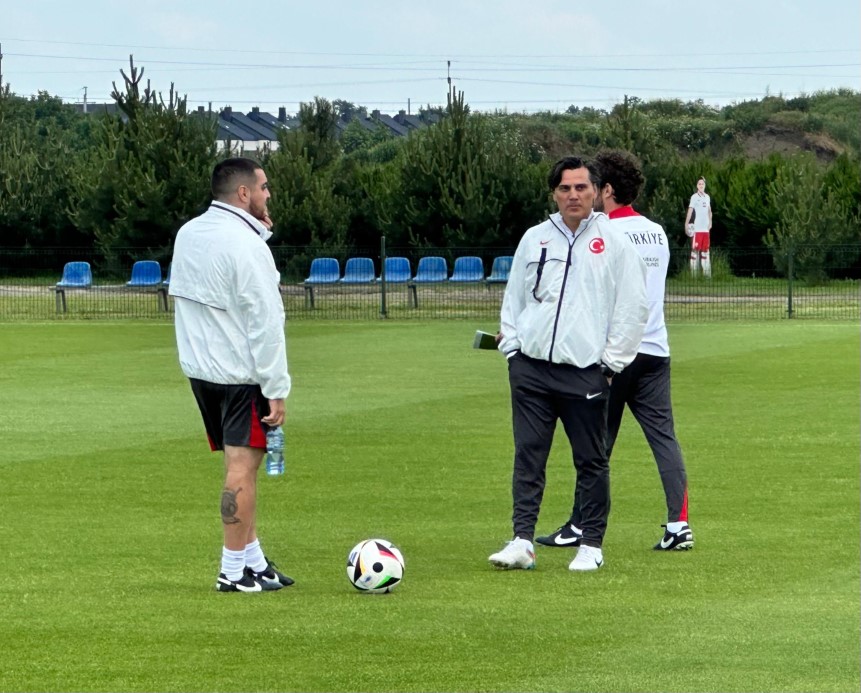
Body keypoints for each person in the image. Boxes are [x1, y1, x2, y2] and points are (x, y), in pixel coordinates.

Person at [488, 156, 648, 573]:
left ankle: (591, 544)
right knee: (528, 455)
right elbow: (515, 299)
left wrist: (610, 365)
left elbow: (633, 309)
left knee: (591, 460)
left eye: (580, 187)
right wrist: (514, 351)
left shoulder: (615, 243)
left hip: (586, 373)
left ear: (597, 191)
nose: (573, 195)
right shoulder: (535, 238)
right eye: (564, 188)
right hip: (532, 370)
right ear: (554, 193)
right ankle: (522, 540)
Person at [536, 150, 694, 553]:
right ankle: (679, 525)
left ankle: (578, 525)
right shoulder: (656, 231)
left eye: (592, 185)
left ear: (606, 189)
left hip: (616, 352)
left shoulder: (603, 233)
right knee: (664, 439)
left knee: (594, 444)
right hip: (656, 349)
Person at [169, 157, 294, 593]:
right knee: (242, 468)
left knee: (241, 467)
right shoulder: (246, 245)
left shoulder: (190, 233)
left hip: (201, 371)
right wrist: (276, 388)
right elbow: (265, 321)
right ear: (244, 194)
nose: (267, 194)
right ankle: (232, 569)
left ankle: (253, 560)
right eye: (263, 187)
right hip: (241, 374)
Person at [685, 176, 712, 277]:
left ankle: (707, 276)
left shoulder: (707, 197)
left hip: (706, 229)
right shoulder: (694, 197)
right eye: (699, 184)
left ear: (705, 185)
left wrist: (710, 222)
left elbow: (709, 211)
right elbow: (690, 210)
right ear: (697, 186)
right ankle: (694, 275)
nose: (701, 185)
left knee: (705, 251)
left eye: (703, 184)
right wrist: (686, 224)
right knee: (695, 251)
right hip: (697, 229)